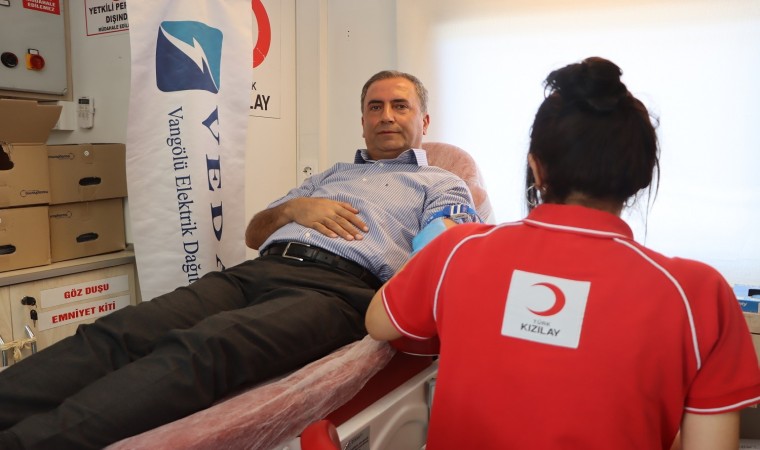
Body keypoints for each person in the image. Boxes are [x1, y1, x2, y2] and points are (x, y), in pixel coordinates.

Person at [0, 70, 479, 449]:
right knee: (119, 330)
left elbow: (447, 245)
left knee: (201, 349)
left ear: (424, 121)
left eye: (400, 106)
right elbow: (254, 234)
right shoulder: (329, 176)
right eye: (375, 107)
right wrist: (294, 209)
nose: (386, 116)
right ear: (362, 120)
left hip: (337, 290)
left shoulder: (441, 183)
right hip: (257, 270)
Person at [365, 57, 760, 450]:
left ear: (536, 168)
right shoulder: (700, 293)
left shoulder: (456, 249)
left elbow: (378, 323)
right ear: (641, 176)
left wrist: (434, 248)